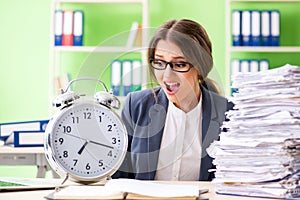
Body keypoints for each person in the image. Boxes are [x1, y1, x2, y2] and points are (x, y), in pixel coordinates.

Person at [112, 19, 233, 181]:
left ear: (200, 67)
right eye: (159, 62)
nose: (167, 76)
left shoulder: (229, 114)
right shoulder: (136, 105)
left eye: (180, 64)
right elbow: (118, 176)